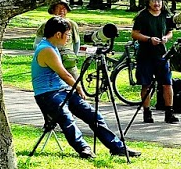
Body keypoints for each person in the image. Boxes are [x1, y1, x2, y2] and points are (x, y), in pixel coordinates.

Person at [33, 16, 139, 159]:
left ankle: (117, 147)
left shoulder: (53, 47)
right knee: (67, 118)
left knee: (93, 115)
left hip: (62, 90)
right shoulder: (46, 49)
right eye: (67, 35)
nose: (68, 38)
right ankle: (84, 148)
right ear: (58, 34)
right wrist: (78, 88)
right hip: (47, 94)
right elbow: (65, 74)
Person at [131, 0, 178, 125]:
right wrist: (149, 39)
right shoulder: (142, 16)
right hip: (145, 55)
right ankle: (147, 112)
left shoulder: (166, 15)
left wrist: (166, 38)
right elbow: (134, 34)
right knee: (146, 84)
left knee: (167, 84)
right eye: (153, 1)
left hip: (161, 55)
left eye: (159, 1)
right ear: (148, 2)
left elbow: (170, 32)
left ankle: (169, 113)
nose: (156, 4)